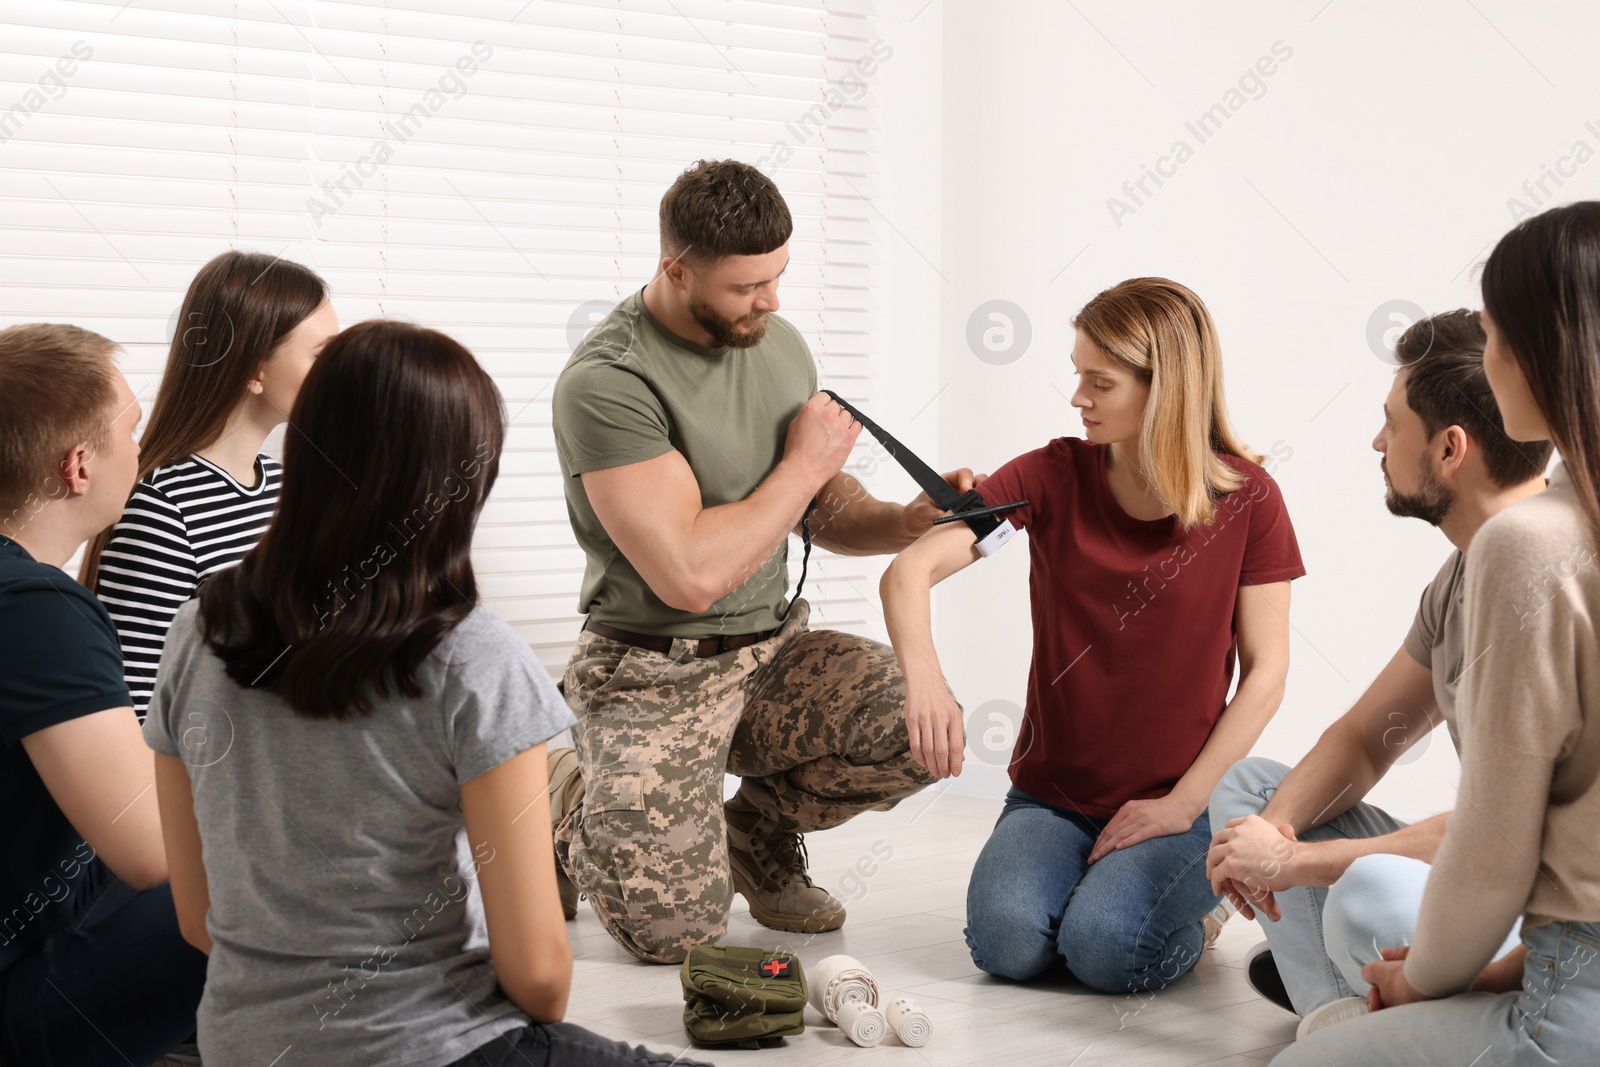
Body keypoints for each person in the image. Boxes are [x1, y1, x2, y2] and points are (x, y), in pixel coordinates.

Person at [144, 320, 706, 1066]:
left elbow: (197, 916)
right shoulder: (472, 657)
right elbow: (540, 978)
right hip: (434, 1047)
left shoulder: (197, 632)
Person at [549, 159, 973, 963]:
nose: (771, 302)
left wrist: (907, 520)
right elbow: (691, 575)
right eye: (748, 287)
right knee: (676, 938)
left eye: (778, 277)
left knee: (919, 729)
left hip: (768, 654)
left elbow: (818, 508)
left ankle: (752, 831)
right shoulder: (608, 381)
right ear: (677, 269)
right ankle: (570, 797)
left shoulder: (777, 345)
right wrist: (803, 467)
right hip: (652, 669)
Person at [880, 277, 1304, 996]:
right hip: (1054, 795)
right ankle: (1092, 891)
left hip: (1184, 799)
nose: (1078, 396)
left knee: (1108, 951)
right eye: (1079, 375)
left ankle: (1195, 916)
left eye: (1098, 382)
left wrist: (1182, 804)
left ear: (1163, 387)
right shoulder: (1049, 475)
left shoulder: (1248, 499)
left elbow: (1266, 671)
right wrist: (925, 679)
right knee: (1006, 944)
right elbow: (910, 570)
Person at [1271, 200, 1600, 1065]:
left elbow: (1493, 855)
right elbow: (1367, 733)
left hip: (1572, 1006)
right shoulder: (1538, 540)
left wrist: (1422, 984)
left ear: (1543, 350)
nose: (1489, 363)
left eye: (1494, 335)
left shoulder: (1530, 544)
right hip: (1547, 958)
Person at [1206, 310, 1551, 1037]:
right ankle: (1346, 1011)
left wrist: (1299, 861)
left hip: (1545, 907)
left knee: (1363, 889)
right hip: (1484, 873)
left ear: (1450, 448)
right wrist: (1268, 841)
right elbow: (1368, 736)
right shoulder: (1463, 574)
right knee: (1251, 792)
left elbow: (1510, 832)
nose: (1376, 441)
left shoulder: (1545, 580)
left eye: (1391, 424)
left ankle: (1359, 1011)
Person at [0, 323, 206, 1065]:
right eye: (133, 432)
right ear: (78, 464)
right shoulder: (36, 608)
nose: (143, 455)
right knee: (284, 878)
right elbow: (155, 852)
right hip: (16, 1006)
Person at [81, 250, 337, 718]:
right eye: (323, 355)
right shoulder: (162, 507)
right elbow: (137, 707)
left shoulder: (289, 490)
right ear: (255, 370)